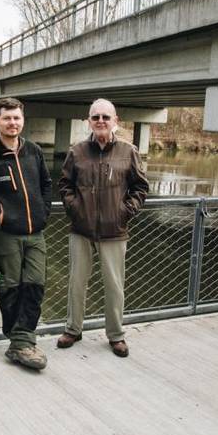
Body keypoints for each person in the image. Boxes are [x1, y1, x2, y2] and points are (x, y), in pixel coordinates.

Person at [57, 99, 151, 357]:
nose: (100, 121)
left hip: (114, 231)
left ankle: (116, 335)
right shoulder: (77, 151)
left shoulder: (127, 151)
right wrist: (75, 208)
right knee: (77, 283)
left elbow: (141, 187)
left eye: (105, 117)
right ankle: (73, 329)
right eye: (96, 117)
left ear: (115, 121)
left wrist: (125, 211)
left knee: (114, 286)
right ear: (89, 121)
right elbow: (64, 185)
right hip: (81, 230)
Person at [0, 96, 52, 370]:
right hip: (4, 234)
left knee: (35, 284)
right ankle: (20, 343)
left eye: (16, 117)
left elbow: (46, 183)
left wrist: (42, 213)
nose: (12, 123)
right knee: (10, 287)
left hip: (35, 232)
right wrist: (1, 215)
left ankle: (24, 340)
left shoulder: (34, 151)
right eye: (7, 118)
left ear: (23, 120)